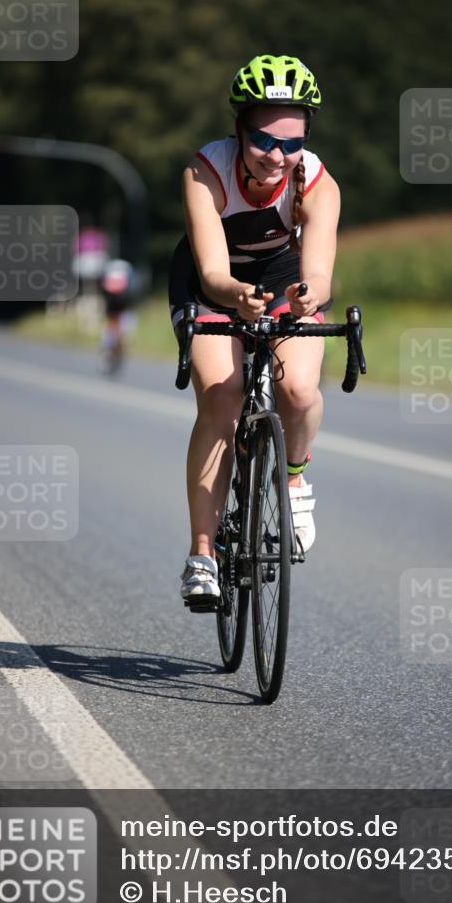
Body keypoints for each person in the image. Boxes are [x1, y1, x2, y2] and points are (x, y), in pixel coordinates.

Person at [169, 54, 340, 604]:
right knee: (223, 398)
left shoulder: (316, 182)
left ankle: (293, 479)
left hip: (279, 276)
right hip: (209, 280)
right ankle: (202, 554)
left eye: (292, 143)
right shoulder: (205, 172)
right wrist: (236, 298)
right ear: (239, 129)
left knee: (297, 389)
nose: (277, 156)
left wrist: (309, 294)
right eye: (265, 140)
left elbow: (318, 272)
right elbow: (216, 272)